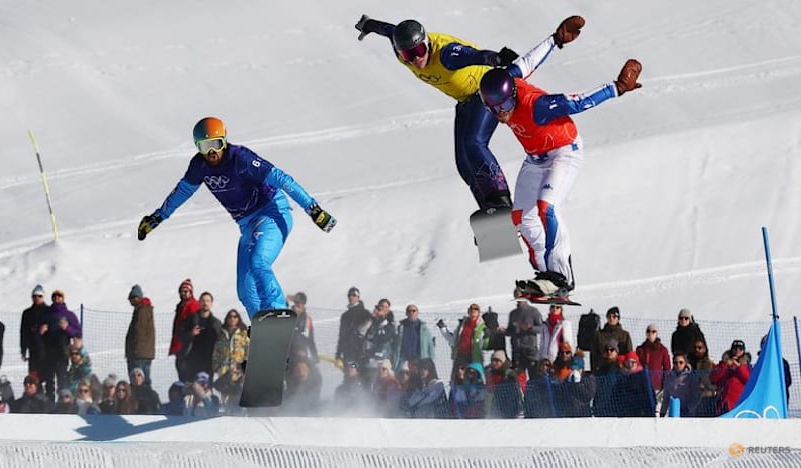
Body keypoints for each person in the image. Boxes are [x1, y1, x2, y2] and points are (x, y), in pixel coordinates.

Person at [355, 16, 587, 213]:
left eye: (420, 50)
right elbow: (387, 29)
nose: (416, 59)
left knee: (474, 143)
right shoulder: (401, 46)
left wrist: (499, 58)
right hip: (464, 100)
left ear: (427, 43)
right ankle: (490, 211)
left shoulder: (446, 54)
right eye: (408, 55)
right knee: (464, 164)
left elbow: (477, 56)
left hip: (483, 93)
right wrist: (368, 24)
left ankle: (501, 199)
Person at [476, 25, 642, 296]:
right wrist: (555, 40)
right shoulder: (504, 85)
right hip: (536, 156)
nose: (501, 115)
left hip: (565, 150)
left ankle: (561, 275)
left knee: (546, 207)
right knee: (521, 218)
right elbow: (528, 61)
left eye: (504, 108)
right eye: (492, 110)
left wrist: (617, 88)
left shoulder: (537, 106)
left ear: (513, 97)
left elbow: (577, 102)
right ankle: (544, 273)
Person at [138, 117, 336, 318]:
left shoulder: (240, 158)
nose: (212, 152)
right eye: (205, 147)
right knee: (244, 287)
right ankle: (263, 330)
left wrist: (313, 209)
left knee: (258, 262)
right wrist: (157, 217)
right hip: (248, 226)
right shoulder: (199, 166)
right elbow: (182, 192)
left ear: (224, 141)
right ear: (197, 147)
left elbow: (281, 178)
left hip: (272, 213)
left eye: (216, 144)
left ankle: (277, 312)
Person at [125, 284, 155, 385]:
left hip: (139, 354)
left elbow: (139, 333)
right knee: (145, 379)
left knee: (138, 381)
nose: (131, 300)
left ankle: (140, 399)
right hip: (145, 353)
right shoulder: (144, 309)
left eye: (133, 298)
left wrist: (135, 352)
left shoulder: (142, 311)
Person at [20, 285, 50, 379]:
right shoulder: (27, 313)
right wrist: (23, 350)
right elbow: (23, 332)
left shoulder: (49, 310)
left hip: (47, 349)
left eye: (39, 296)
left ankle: (48, 394)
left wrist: (47, 327)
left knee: (48, 377)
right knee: (34, 377)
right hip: (33, 349)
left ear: (43, 297)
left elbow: (55, 326)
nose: (37, 298)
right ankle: (35, 393)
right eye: (34, 296)